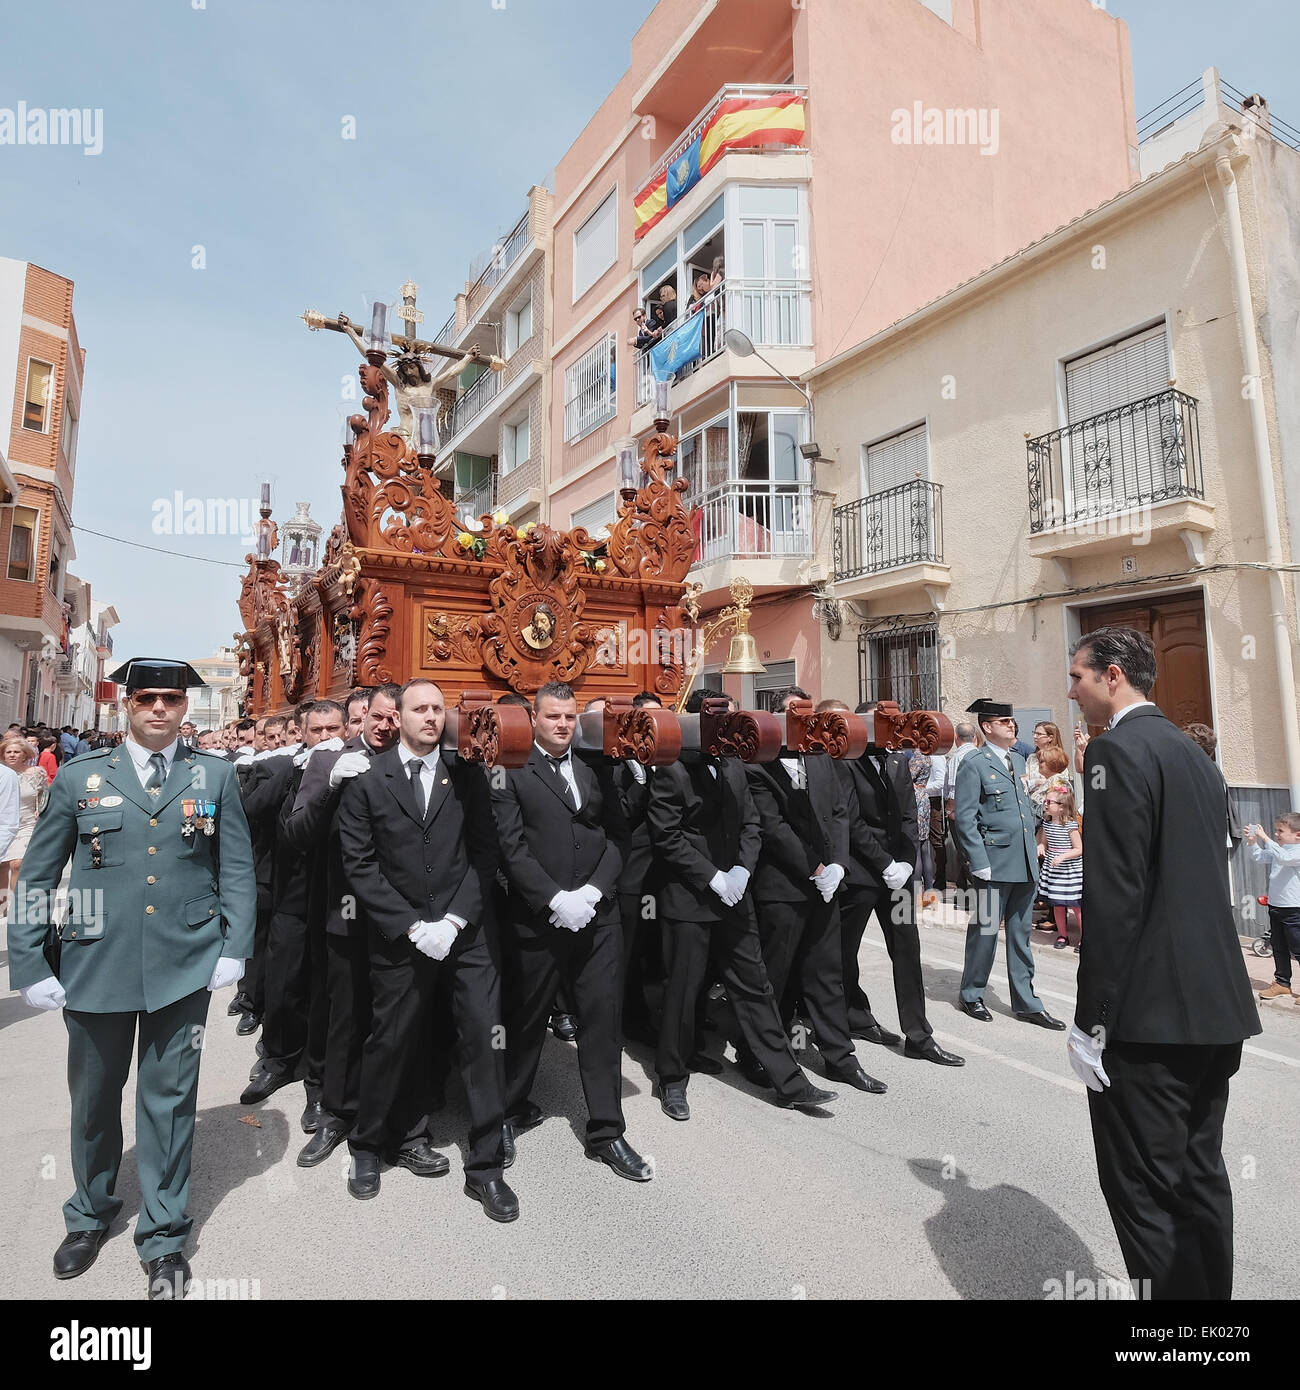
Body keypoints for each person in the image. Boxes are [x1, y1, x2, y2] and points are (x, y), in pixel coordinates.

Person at [7, 658, 255, 1299]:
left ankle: (166, 1235)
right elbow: (36, 876)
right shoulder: (83, 779)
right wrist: (30, 962)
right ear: (127, 706)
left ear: (183, 708)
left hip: (184, 963)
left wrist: (235, 947)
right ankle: (89, 1213)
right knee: (93, 1101)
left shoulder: (216, 777)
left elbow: (236, 870)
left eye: (172, 700)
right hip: (97, 964)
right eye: (146, 698)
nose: (159, 710)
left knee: (170, 1105)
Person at [1065, 625, 1260, 1301]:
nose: (1073, 690)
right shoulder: (1191, 750)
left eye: (1079, 677)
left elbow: (1115, 896)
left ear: (1113, 675)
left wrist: (1090, 1020)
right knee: (1198, 1175)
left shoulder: (1113, 750)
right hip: (1218, 1006)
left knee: (1145, 1191)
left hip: (1151, 1018)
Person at [336, 679, 515, 1219]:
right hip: (401, 935)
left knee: (484, 1040)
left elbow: (486, 854)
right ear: (398, 716)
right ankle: (369, 1146)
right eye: (420, 708)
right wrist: (413, 927)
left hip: (467, 933)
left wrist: (455, 919)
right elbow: (360, 864)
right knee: (391, 1040)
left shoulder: (470, 775)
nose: (431, 717)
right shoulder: (369, 781)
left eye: (439, 709)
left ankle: (485, 1167)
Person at [645, 689, 837, 1119]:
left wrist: (742, 873)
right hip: (690, 899)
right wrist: (712, 876)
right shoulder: (671, 766)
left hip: (736, 893)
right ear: (696, 723)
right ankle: (672, 1079)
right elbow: (668, 836)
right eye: (720, 719)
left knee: (756, 988)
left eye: (732, 717)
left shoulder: (734, 763)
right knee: (683, 990)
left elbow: (752, 823)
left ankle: (790, 1082)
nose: (731, 726)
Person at [491, 680, 653, 1181]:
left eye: (569, 717)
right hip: (538, 919)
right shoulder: (509, 768)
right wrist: (554, 898)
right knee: (523, 1022)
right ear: (534, 719)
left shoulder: (595, 766)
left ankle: (607, 1131)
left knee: (602, 1024)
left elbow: (618, 836)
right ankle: (504, 1113)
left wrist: (594, 893)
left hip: (596, 918)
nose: (562, 725)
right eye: (553, 717)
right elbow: (509, 846)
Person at [744, 687, 886, 1094]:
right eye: (793, 713)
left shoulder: (822, 757)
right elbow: (773, 827)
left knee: (826, 975)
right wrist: (814, 867)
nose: (804, 720)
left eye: (807, 712)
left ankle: (839, 1057)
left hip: (827, 886)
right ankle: (756, 1052)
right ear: (778, 718)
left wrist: (838, 864)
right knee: (776, 975)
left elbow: (841, 813)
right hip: (783, 887)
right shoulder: (760, 762)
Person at [282, 685, 399, 1166]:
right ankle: (334, 1111)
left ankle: (394, 1119)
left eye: (393, 716)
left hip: (400, 914)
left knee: (392, 1020)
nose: (381, 726)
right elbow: (297, 834)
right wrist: (331, 786)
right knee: (344, 1017)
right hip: (344, 909)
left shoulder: (412, 759)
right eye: (368, 717)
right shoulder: (330, 762)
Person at [833, 699, 963, 1067]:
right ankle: (852, 1015)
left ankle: (919, 1036)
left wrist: (906, 863)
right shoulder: (846, 758)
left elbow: (909, 813)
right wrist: (883, 862)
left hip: (899, 875)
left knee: (907, 952)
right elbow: (850, 820)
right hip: (862, 872)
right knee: (844, 952)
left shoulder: (896, 758)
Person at [240, 700, 346, 1113]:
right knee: (283, 982)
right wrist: (287, 767)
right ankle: (279, 1059)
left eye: (333, 729)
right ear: (302, 732)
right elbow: (253, 811)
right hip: (292, 894)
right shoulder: (290, 769)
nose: (325, 738)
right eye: (316, 730)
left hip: (338, 900)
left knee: (325, 993)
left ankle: (319, 1083)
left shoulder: (356, 768)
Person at [951, 697, 1064, 1030]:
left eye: (1012, 722)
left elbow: (1023, 807)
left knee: (1020, 935)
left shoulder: (1019, 759)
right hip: (994, 861)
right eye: (1004, 722)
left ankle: (1027, 1002)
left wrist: (1042, 812)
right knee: (985, 931)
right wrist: (978, 860)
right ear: (987, 727)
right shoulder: (974, 762)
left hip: (1025, 859)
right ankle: (971, 994)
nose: (1012, 726)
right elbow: (965, 817)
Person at [1244, 813, 1300, 1002]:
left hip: (1295, 909)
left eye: (1280, 831)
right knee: (1279, 946)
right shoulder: (1279, 848)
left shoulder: (1295, 851)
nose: (1276, 834)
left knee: (1298, 948)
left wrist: (1265, 837)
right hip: (1276, 906)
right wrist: (1252, 842)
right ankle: (1282, 983)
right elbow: (1260, 857)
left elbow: (1284, 858)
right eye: (1275, 830)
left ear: (1298, 835)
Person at [1, 735, 44, 909]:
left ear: (24, 755)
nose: (12, 755)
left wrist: (40, 809)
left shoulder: (35, 773)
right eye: (8, 752)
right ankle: (2, 903)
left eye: (16, 752)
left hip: (26, 823)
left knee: (17, 863)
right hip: (4, 822)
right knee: (3, 864)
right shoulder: (3, 775)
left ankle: (17, 905)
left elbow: (45, 795)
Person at [1037, 784, 1083, 950]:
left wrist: (1063, 856)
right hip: (1054, 869)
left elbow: (1079, 849)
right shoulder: (1047, 824)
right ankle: (1062, 935)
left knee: (1076, 906)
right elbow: (1044, 842)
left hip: (1070, 871)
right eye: (1046, 801)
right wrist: (1041, 847)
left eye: (1050, 802)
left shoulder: (1070, 826)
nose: (1046, 804)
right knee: (1057, 904)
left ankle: (1084, 937)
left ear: (1062, 807)